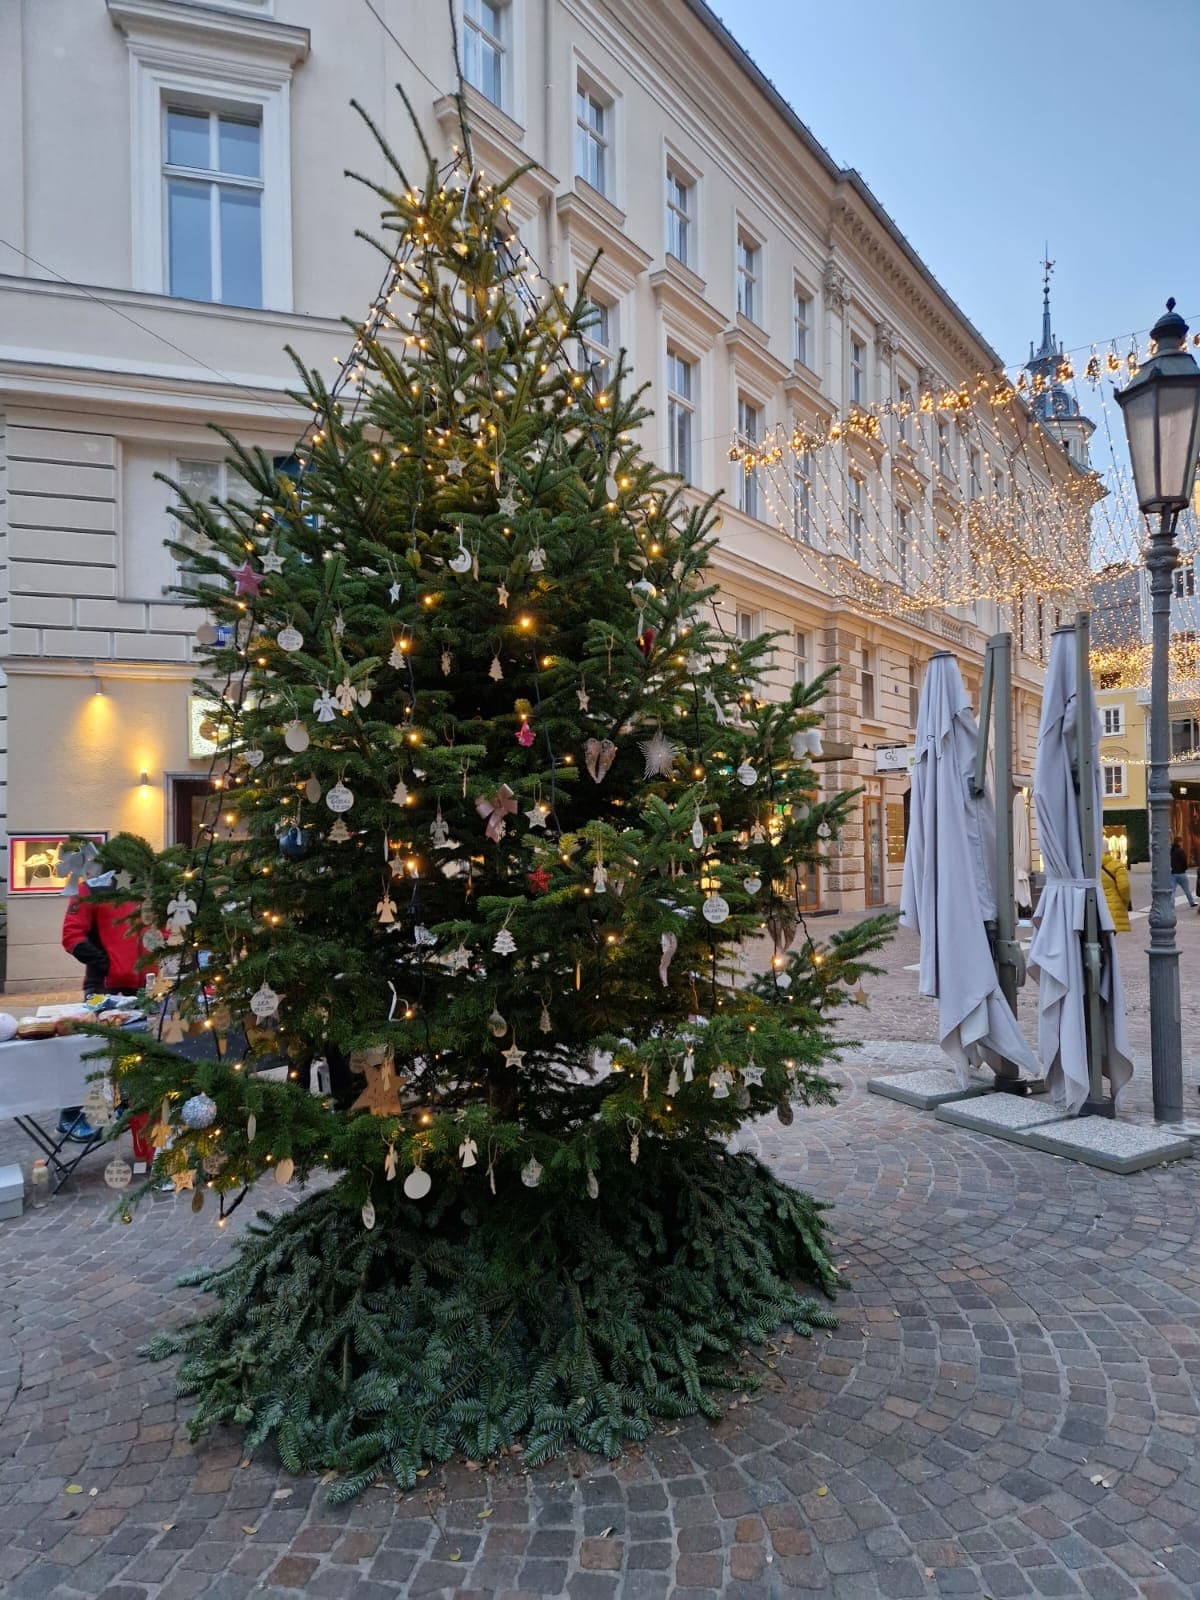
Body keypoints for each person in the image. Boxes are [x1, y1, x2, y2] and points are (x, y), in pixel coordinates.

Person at [57, 870, 154, 1141]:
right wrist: (104, 962)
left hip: (145, 985)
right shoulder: (94, 889)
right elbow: (71, 935)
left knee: (136, 1049)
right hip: (103, 986)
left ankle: (124, 1102)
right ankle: (71, 1115)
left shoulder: (150, 887)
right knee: (90, 1048)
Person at [1100, 846, 1131, 932]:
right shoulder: (1116, 865)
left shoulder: (1089, 867)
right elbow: (1124, 887)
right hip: (1114, 907)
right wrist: (1125, 902)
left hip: (1097, 907)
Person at [1169, 838, 1197, 910]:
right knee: (1186, 889)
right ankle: (1191, 902)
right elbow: (1184, 861)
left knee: (1172, 891)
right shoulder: (1181, 851)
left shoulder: (1171, 851)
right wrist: (1185, 868)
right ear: (1179, 842)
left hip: (1173, 873)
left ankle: (1171, 905)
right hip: (1181, 873)